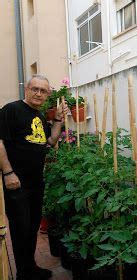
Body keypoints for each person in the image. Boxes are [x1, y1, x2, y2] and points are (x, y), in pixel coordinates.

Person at [0, 74, 68, 280]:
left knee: (31, 228)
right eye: (35, 89)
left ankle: (29, 268)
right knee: (21, 229)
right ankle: (23, 273)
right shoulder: (11, 110)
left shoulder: (38, 116)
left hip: (36, 181)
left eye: (43, 91)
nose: (38, 93)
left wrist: (57, 119)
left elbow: (50, 141)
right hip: (16, 182)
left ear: (48, 94)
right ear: (27, 89)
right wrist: (8, 173)